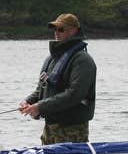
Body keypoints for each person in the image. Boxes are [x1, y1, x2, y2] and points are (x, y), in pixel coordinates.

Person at [19, 13, 97, 144]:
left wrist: (40, 107)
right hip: (49, 130)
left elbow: (75, 94)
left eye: (61, 29)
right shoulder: (52, 59)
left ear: (74, 31)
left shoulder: (83, 60)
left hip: (72, 130)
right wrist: (28, 102)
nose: (56, 32)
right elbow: (41, 89)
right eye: (55, 29)